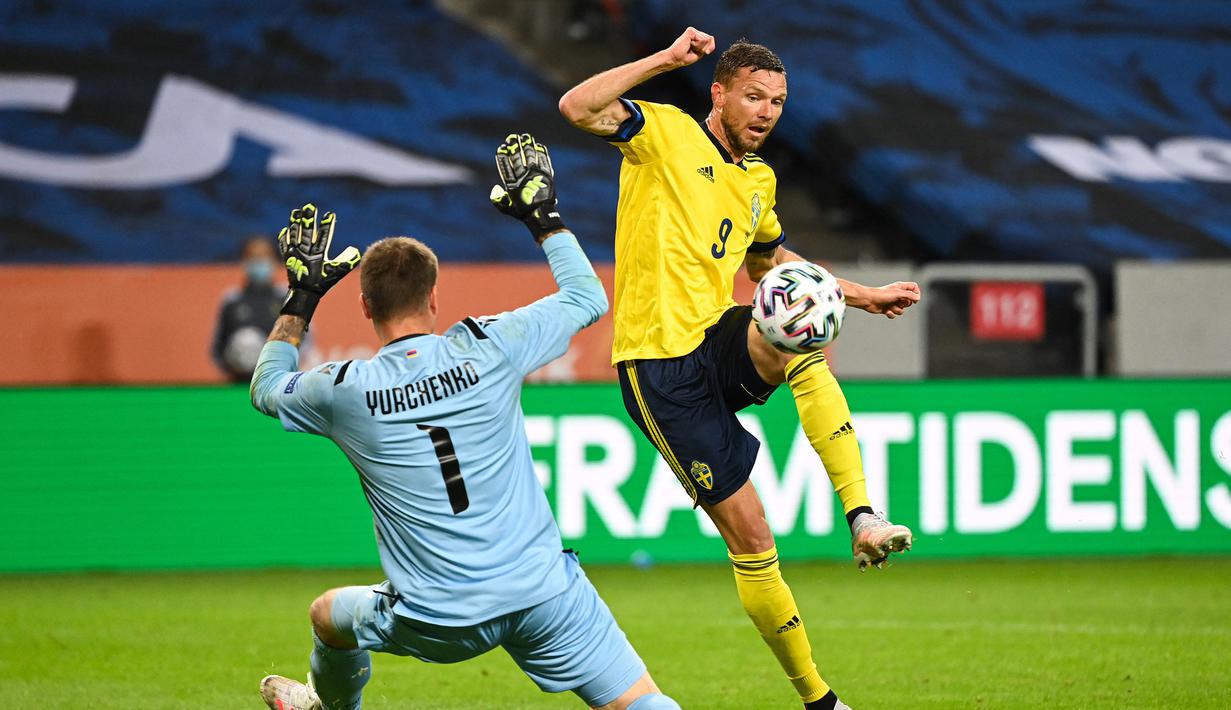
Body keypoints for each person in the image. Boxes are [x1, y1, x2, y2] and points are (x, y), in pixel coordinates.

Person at [559, 27, 922, 710]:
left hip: (716, 334)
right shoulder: (662, 133)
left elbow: (770, 266)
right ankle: (818, 699)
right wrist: (666, 61)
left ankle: (864, 516)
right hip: (658, 365)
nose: (765, 112)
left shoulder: (758, 180)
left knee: (799, 336)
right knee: (753, 538)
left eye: (778, 102)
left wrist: (862, 295)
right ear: (718, 93)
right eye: (753, 96)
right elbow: (577, 106)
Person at [250, 134, 680, 710]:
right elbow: (585, 297)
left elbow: (266, 389)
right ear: (433, 298)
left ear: (366, 308)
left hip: (438, 617)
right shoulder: (487, 346)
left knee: (328, 616)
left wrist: (301, 295)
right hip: (542, 594)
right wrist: (544, 217)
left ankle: (330, 706)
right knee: (642, 702)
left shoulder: (345, 390)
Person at [212, 235, 286, 382]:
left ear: (274, 260)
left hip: (276, 381)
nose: (259, 261)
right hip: (237, 380)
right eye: (253, 256)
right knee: (246, 341)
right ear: (244, 261)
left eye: (264, 256)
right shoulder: (231, 300)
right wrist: (231, 365)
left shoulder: (286, 299)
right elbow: (217, 346)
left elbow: (304, 340)